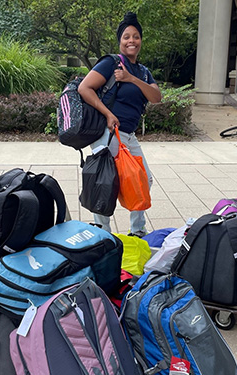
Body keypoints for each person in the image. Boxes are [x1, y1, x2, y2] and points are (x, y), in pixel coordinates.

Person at [78, 11, 162, 237]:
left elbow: (156, 97)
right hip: (108, 133)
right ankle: (103, 234)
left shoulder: (142, 72)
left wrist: (131, 79)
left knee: (144, 178)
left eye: (135, 36)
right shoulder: (110, 63)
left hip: (128, 135)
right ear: (120, 41)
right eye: (126, 36)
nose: (131, 41)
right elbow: (84, 88)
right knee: (104, 183)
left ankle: (137, 231)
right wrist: (107, 113)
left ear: (141, 40)